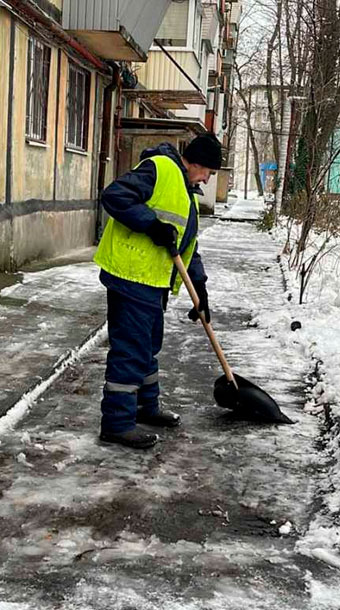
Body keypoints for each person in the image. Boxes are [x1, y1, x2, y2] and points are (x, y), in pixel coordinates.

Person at [93, 134, 222, 449]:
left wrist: (200, 287)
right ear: (194, 162)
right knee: (131, 350)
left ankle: (145, 408)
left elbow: (186, 246)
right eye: (207, 171)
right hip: (130, 276)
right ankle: (117, 424)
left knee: (148, 346)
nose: (207, 179)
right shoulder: (159, 168)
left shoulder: (187, 193)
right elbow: (114, 195)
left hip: (153, 282)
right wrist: (150, 224)